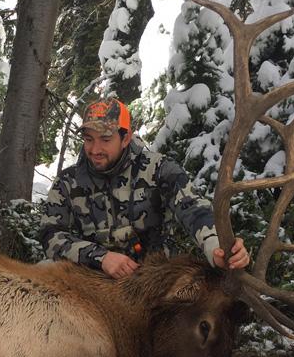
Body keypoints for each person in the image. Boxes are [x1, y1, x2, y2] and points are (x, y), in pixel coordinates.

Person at [40, 98, 249, 279]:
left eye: (105, 139)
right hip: (92, 286)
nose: (95, 150)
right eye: (88, 140)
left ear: (126, 138)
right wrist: (101, 258)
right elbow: (50, 235)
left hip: (154, 284)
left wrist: (216, 247)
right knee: (44, 272)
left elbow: (194, 208)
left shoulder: (159, 169)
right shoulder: (68, 182)